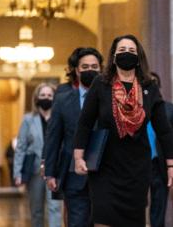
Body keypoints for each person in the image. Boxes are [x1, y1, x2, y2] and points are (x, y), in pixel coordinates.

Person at [73, 34, 173, 227]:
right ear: (113, 56)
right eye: (121, 50)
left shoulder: (149, 87)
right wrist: (79, 157)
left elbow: (164, 130)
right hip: (105, 166)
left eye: (131, 51)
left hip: (137, 169)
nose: (126, 54)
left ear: (139, 57)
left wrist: (172, 167)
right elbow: (85, 123)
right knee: (103, 219)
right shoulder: (100, 84)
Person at [44, 47, 103, 227]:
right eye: (85, 67)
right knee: (76, 222)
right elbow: (54, 138)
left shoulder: (111, 100)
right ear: (77, 71)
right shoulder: (63, 100)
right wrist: (50, 173)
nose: (90, 71)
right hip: (73, 176)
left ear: (101, 70)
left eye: (94, 66)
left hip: (105, 176)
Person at [13, 83, 62, 227]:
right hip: (34, 171)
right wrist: (17, 173)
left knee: (55, 208)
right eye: (43, 95)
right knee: (36, 210)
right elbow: (21, 147)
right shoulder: (28, 119)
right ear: (36, 98)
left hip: (55, 169)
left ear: (54, 98)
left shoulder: (59, 117)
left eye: (49, 95)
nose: (46, 98)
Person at [147, 71, 173, 227]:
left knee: (159, 206)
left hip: (159, 165)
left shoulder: (170, 109)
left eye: (154, 82)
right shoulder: (132, 108)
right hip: (138, 163)